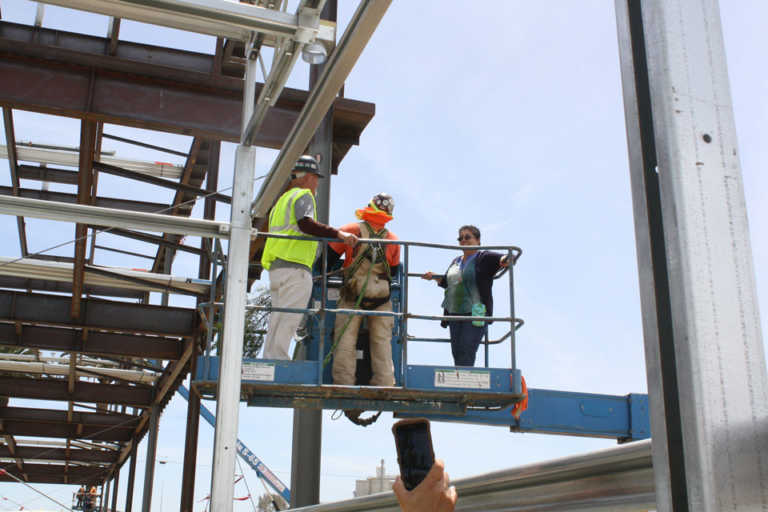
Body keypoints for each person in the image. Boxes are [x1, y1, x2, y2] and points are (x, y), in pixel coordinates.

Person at [261, 155, 357, 360]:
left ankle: (270, 357)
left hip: (277, 268)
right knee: (289, 317)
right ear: (307, 177)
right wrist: (340, 235)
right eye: (316, 177)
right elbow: (306, 224)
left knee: (277, 316)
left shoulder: (282, 201)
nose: (316, 183)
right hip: (295, 268)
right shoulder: (303, 196)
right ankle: (278, 359)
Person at [328, 193, 400, 386]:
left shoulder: (351, 230)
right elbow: (392, 271)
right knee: (382, 342)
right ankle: (385, 382)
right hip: (381, 298)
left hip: (353, 294)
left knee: (345, 340)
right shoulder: (392, 239)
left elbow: (327, 261)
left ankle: (343, 382)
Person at [422, 225, 509, 366]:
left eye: (467, 237)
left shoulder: (484, 257)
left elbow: (503, 259)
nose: (463, 240)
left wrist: (506, 259)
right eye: (460, 238)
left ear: (478, 240)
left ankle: (465, 383)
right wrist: (434, 277)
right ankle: (460, 381)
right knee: (457, 351)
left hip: (476, 311)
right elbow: (448, 282)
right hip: (454, 311)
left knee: (467, 348)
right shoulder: (456, 261)